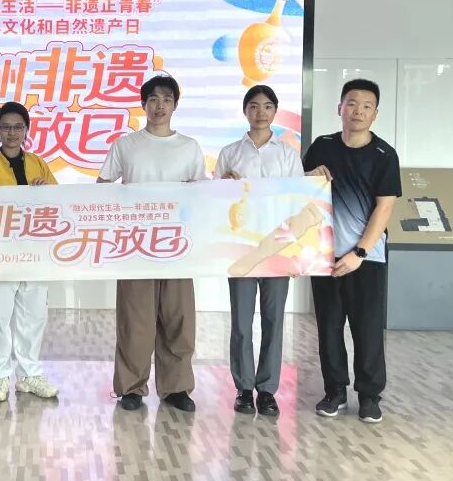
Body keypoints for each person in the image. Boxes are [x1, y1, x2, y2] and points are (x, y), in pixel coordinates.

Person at [97, 74, 206, 413]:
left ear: (175, 105)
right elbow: (102, 186)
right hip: (135, 246)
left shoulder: (189, 147)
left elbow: (202, 195)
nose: (160, 106)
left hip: (178, 246)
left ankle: (176, 388)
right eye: (154, 99)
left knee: (178, 320)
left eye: (167, 100)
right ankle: (131, 387)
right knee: (135, 321)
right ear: (143, 104)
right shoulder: (126, 145)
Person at [302, 79, 401, 424]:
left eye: (366, 105)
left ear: (375, 114)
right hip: (324, 255)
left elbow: (384, 208)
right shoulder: (322, 146)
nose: (358, 110)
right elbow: (301, 190)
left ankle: (370, 396)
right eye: (352, 103)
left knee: (367, 327)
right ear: (339, 108)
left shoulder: (384, 155)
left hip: (366, 258)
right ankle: (335, 392)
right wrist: (310, 174)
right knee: (329, 327)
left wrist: (358, 252)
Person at [215, 85, 304, 418]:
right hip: (241, 249)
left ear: (275, 111)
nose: (261, 112)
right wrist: (223, 185)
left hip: (278, 248)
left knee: (273, 320)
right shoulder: (230, 153)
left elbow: (298, 202)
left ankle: (267, 390)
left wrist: (297, 253)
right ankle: (243, 388)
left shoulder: (288, 154)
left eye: (267, 106)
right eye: (254, 106)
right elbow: (216, 201)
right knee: (241, 322)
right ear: (245, 111)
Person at [0, 101, 60, 403]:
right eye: (6, 127)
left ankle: (29, 375)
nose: (12, 133)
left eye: (18, 127)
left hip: (35, 251)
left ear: (26, 130)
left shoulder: (39, 164)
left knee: (33, 317)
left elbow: (59, 202)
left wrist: (45, 190)